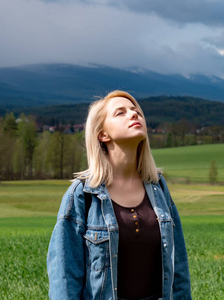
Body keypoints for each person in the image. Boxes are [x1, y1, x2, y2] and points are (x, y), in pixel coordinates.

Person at [47, 90, 192, 300]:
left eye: (136, 111)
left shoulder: (158, 187)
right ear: (102, 134)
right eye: (120, 113)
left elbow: (178, 267)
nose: (134, 115)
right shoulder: (82, 194)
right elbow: (65, 275)